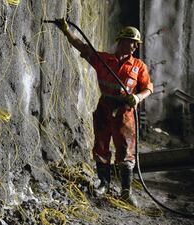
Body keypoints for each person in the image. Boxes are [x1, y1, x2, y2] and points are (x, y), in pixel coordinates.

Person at [58, 18, 153, 207]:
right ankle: (104, 183)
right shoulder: (103, 60)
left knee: (125, 151)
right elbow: (82, 47)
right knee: (101, 146)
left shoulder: (139, 66)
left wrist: (138, 97)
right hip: (104, 108)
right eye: (131, 41)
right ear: (121, 41)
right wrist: (67, 31)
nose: (134, 46)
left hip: (124, 111)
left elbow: (149, 87)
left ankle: (126, 192)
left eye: (136, 43)